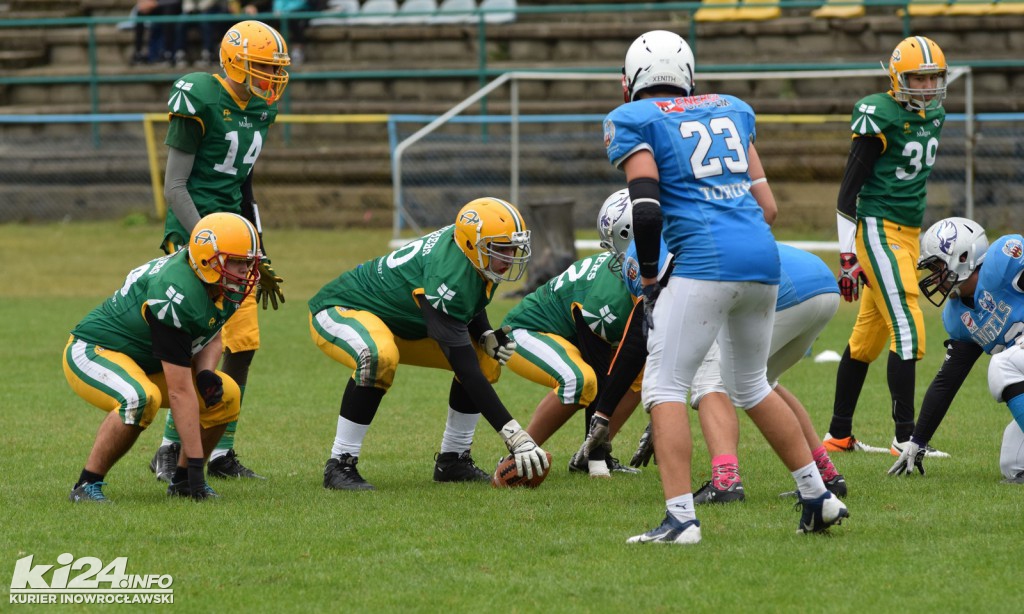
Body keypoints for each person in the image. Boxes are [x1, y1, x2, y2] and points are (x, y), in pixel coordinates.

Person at [603, 30, 848, 544]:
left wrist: (650, 276)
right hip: (762, 259)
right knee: (752, 384)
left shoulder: (633, 119)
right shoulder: (733, 109)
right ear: (688, 77)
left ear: (630, 82)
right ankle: (817, 495)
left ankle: (681, 519)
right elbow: (769, 209)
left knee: (665, 388)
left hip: (704, 263)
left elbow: (645, 209)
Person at [310, 197, 548, 491]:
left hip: (400, 322)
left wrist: (484, 332)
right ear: (473, 245)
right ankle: (340, 464)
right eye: (502, 249)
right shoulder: (447, 270)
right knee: (378, 356)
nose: (510, 256)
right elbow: (464, 366)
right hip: (342, 308)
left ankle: (453, 460)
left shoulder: (473, 250)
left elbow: (470, 298)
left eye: (513, 247)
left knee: (485, 359)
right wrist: (514, 435)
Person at [149, 19, 291, 484]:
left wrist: (257, 247)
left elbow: (244, 183)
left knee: (244, 347)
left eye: (275, 68)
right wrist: (205, 243)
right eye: (262, 67)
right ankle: (171, 449)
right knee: (195, 350)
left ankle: (221, 450)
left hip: (238, 244)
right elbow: (174, 187)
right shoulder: (199, 95)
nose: (271, 77)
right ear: (234, 62)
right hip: (197, 239)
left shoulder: (261, 111)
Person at [65, 213, 259, 503]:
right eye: (236, 262)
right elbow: (180, 392)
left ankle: (181, 482)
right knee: (141, 398)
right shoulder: (174, 292)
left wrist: (206, 372)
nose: (244, 272)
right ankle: (86, 484)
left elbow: (212, 333)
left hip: (147, 361)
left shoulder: (217, 281)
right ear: (208, 260)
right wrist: (198, 466)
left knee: (226, 395)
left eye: (247, 262)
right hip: (96, 350)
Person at [824, 36, 951, 458]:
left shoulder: (935, 115)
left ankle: (839, 434)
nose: (928, 87)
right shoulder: (879, 114)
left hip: (909, 235)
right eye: (919, 77)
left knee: (867, 340)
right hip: (877, 230)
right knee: (910, 326)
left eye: (934, 78)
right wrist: (847, 258)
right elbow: (846, 195)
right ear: (898, 77)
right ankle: (907, 437)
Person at [502, 189, 642, 478]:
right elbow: (601, 372)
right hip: (524, 332)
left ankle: (586, 452)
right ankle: (519, 455)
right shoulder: (612, 297)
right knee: (581, 381)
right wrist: (598, 463)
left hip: (568, 338)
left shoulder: (629, 276)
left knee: (639, 373)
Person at [890, 218, 1024, 484]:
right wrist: (918, 441)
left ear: (963, 255)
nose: (934, 277)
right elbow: (947, 381)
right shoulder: (957, 316)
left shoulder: (1003, 262)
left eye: (937, 266)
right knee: (1013, 463)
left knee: (1001, 366)